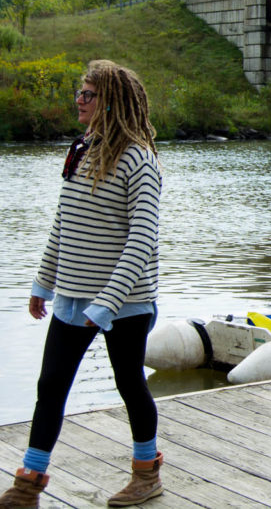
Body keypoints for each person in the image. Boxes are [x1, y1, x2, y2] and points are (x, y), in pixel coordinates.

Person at [0, 61, 164, 508]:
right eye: (80, 91)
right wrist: (43, 282)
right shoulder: (82, 149)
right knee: (51, 384)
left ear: (112, 101)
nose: (79, 99)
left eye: (88, 94)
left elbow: (142, 238)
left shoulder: (140, 160)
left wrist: (107, 303)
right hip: (72, 297)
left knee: (130, 383)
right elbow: (64, 223)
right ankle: (28, 484)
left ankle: (146, 473)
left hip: (125, 304)